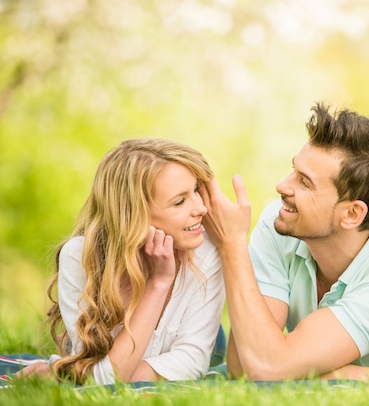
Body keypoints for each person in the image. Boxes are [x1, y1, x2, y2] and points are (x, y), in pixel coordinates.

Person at [201, 103, 369, 387]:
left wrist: (232, 243)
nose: (282, 187)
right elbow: (246, 364)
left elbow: (264, 364)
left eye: (305, 183)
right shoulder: (281, 225)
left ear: (351, 214)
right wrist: (356, 374)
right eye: (293, 171)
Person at [16, 138, 225, 385]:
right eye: (180, 201)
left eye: (197, 190)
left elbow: (190, 360)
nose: (201, 208)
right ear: (133, 215)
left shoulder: (207, 250)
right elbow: (105, 377)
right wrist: (158, 283)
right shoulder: (79, 257)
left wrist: (75, 373)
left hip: (206, 338)